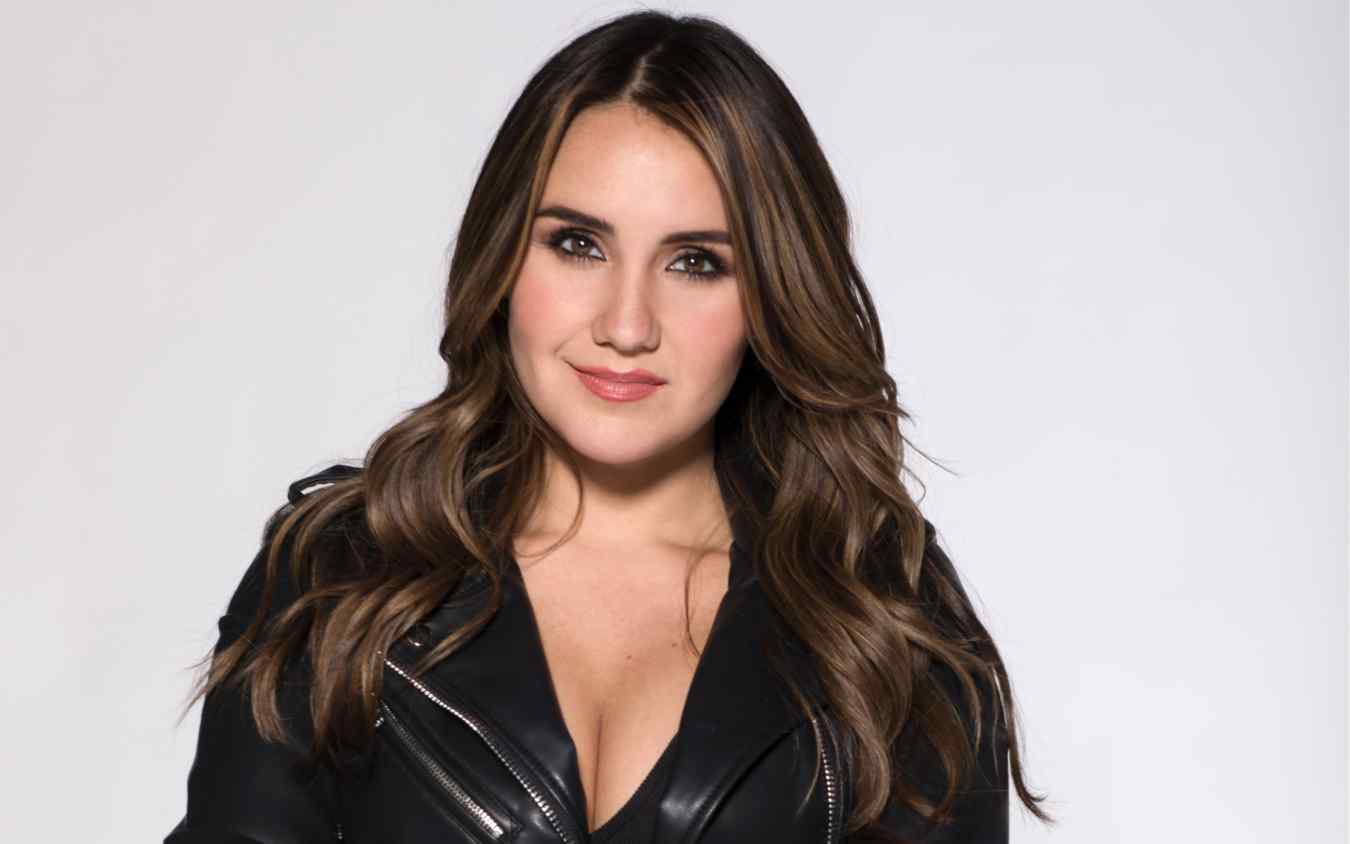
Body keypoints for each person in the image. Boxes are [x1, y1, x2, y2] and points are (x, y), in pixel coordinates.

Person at [166, 10, 1053, 843]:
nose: (627, 326)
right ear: (503, 255)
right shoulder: (344, 576)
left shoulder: (880, 615)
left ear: (772, 296)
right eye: (578, 244)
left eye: (696, 262)